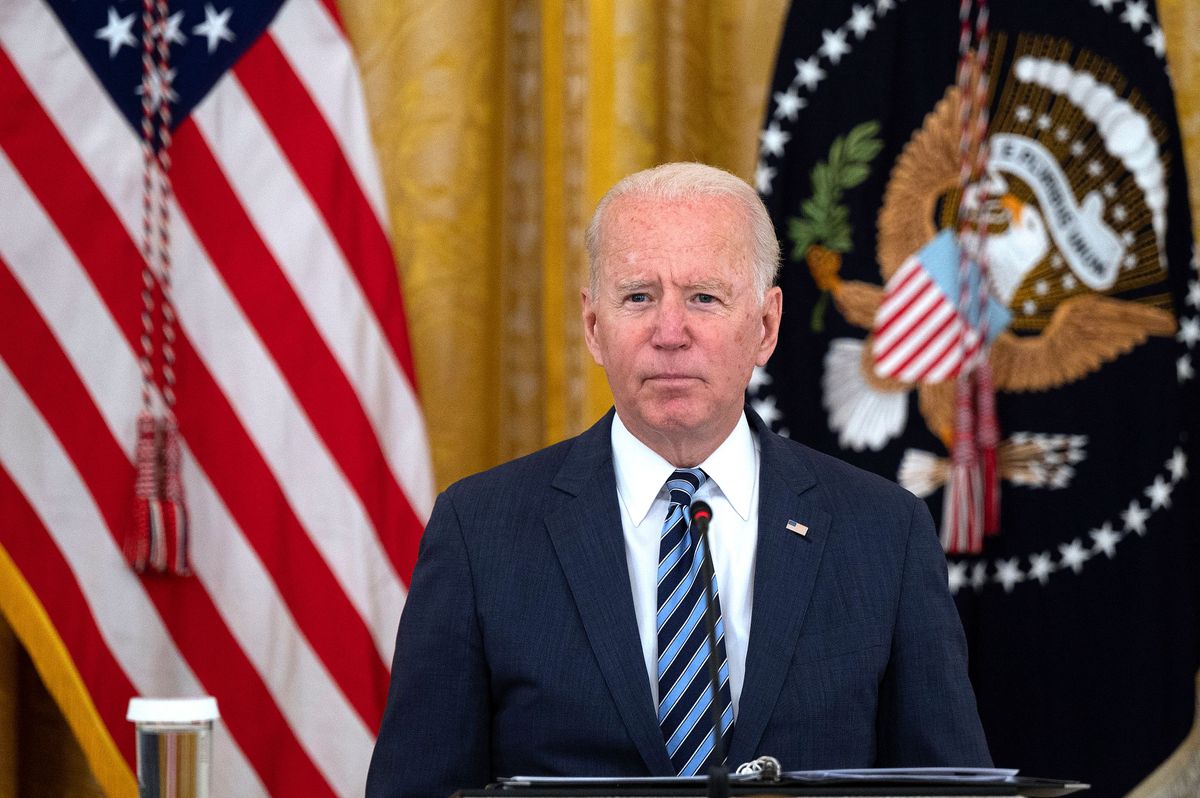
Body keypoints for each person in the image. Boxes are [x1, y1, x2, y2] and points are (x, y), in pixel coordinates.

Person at [366, 163, 991, 798]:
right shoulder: (481, 532)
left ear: (766, 327)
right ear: (593, 327)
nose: (671, 333)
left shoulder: (884, 532)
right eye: (638, 296)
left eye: (704, 297)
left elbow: (951, 789)